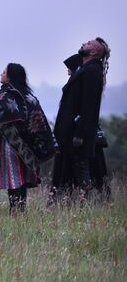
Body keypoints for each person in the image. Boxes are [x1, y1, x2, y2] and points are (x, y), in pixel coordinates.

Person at [0, 63, 55, 213]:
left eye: (3, 72)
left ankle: (15, 211)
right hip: (28, 147)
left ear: (10, 76)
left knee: (13, 179)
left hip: (10, 145)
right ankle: (20, 210)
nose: (1, 74)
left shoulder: (5, 97)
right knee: (22, 180)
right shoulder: (30, 97)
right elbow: (40, 124)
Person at [52, 38, 111, 203]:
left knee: (80, 170)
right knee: (70, 169)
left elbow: (88, 106)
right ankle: (69, 202)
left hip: (76, 131)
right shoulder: (85, 68)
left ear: (93, 52)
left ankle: (86, 203)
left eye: (89, 43)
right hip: (70, 130)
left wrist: (80, 133)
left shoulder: (92, 71)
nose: (85, 42)